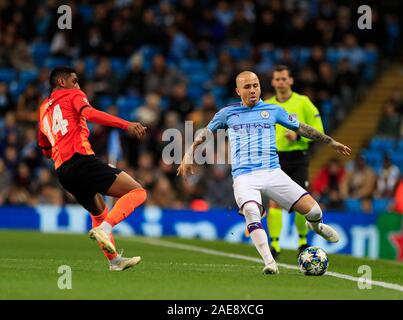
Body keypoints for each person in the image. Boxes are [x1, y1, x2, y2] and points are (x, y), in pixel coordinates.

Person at [177, 71, 351, 274]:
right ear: (238, 91)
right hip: (244, 176)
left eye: (255, 85)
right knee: (251, 211)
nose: (252, 90)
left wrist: (330, 141)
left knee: (314, 212)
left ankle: (316, 227)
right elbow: (206, 133)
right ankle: (270, 262)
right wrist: (189, 153)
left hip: (272, 173)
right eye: (247, 87)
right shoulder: (227, 113)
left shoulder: (272, 110)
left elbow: (302, 128)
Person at [38, 67, 147, 271]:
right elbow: (89, 113)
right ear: (62, 82)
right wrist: (126, 125)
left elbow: (45, 149)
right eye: (75, 80)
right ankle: (106, 229)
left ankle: (114, 261)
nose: (78, 85)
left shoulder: (43, 109)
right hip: (81, 160)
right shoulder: (73, 94)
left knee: (98, 213)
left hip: (62, 171)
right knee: (137, 192)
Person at [265, 65, 325, 259]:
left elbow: (318, 130)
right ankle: (274, 245)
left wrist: (299, 137)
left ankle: (302, 242)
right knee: (274, 202)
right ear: (273, 82)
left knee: (301, 200)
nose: (281, 82)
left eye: (284, 79)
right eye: (277, 79)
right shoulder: (266, 105)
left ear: (291, 80)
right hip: (275, 158)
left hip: (298, 158)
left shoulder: (303, 103)